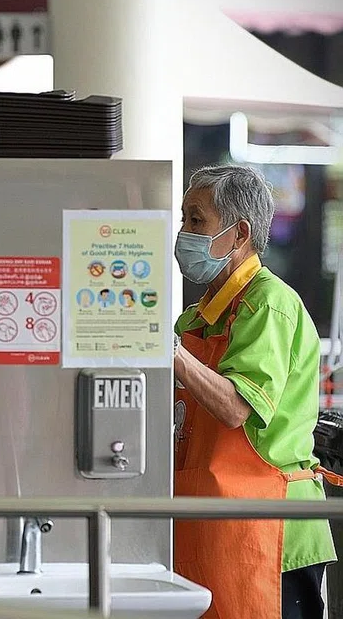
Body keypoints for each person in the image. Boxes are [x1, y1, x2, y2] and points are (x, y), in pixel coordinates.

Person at [172, 165, 339, 619]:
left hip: (269, 529)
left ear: (239, 233)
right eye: (184, 219)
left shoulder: (268, 304)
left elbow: (234, 408)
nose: (183, 233)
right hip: (208, 524)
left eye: (196, 220)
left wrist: (172, 353)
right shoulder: (196, 318)